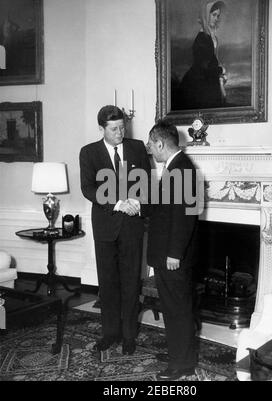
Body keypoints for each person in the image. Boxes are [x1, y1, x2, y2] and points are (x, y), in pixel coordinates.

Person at [79, 105, 151, 356]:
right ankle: (110, 333)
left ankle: (130, 335)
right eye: (114, 129)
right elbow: (88, 188)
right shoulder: (89, 153)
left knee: (132, 282)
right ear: (101, 129)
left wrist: (138, 203)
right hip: (106, 227)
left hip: (132, 226)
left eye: (123, 127)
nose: (120, 132)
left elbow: (147, 182)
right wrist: (119, 203)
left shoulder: (137, 147)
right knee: (107, 283)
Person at [146, 120, 201, 381]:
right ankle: (179, 354)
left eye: (150, 145)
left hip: (173, 256)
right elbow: (166, 211)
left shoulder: (180, 169)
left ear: (160, 143)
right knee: (173, 308)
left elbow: (183, 218)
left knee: (177, 309)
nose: (149, 150)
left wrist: (174, 254)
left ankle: (182, 365)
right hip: (169, 252)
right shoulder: (176, 167)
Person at [179, 0, 227, 109]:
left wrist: (220, 73)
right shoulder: (202, 39)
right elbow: (203, 68)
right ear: (206, 15)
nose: (216, 18)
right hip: (199, 83)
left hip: (209, 80)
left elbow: (212, 60)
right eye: (214, 15)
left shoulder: (209, 36)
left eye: (218, 15)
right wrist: (221, 70)